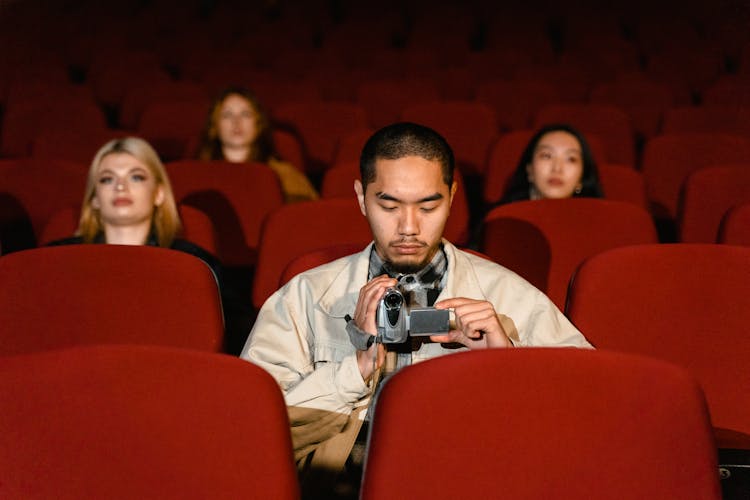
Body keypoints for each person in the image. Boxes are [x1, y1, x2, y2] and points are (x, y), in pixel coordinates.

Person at [240, 122, 591, 498]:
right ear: (361, 198)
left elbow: (585, 423)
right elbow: (252, 438)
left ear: (453, 196)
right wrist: (354, 370)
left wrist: (507, 364)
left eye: (429, 205)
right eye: (388, 205)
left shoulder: (510, 296)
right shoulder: (305, 297)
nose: (409, 227)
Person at [197, 86, 319, 203]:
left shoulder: (283, 176)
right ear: (214, 125)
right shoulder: (199, 175)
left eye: (245, 114)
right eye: (227, 115)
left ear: (258, 123)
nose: (236, 122)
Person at [500, 123, 604, 204]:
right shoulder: (497, 220)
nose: (557, 168)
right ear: (530, 169)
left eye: (571, 159)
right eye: (546, 156)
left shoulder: (600, 225)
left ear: (582, 177)